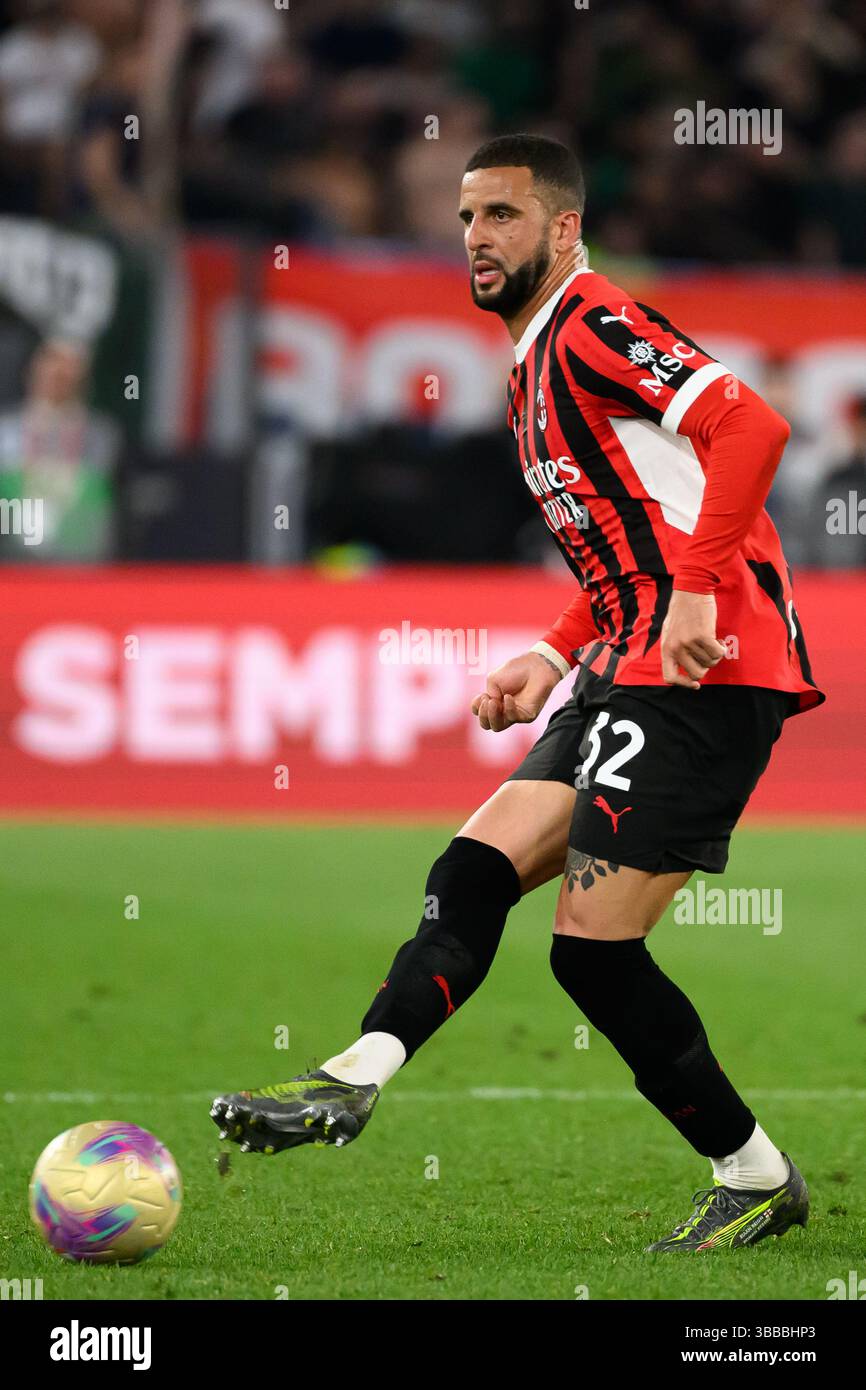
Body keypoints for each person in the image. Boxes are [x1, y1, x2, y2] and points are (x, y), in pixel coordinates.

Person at [211, 134, 823, 1253]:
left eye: (500, 215)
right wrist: (549, 649)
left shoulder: (592, 320)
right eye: (464, 219)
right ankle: (351, 1075)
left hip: (703, 666)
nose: (476, 239)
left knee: (589, 950)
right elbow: (617, 543)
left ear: (561, 227)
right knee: (472, 868)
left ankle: (752, 1175)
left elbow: (750, 425)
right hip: (620, 660)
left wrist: (694, 596)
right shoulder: (525, 370)